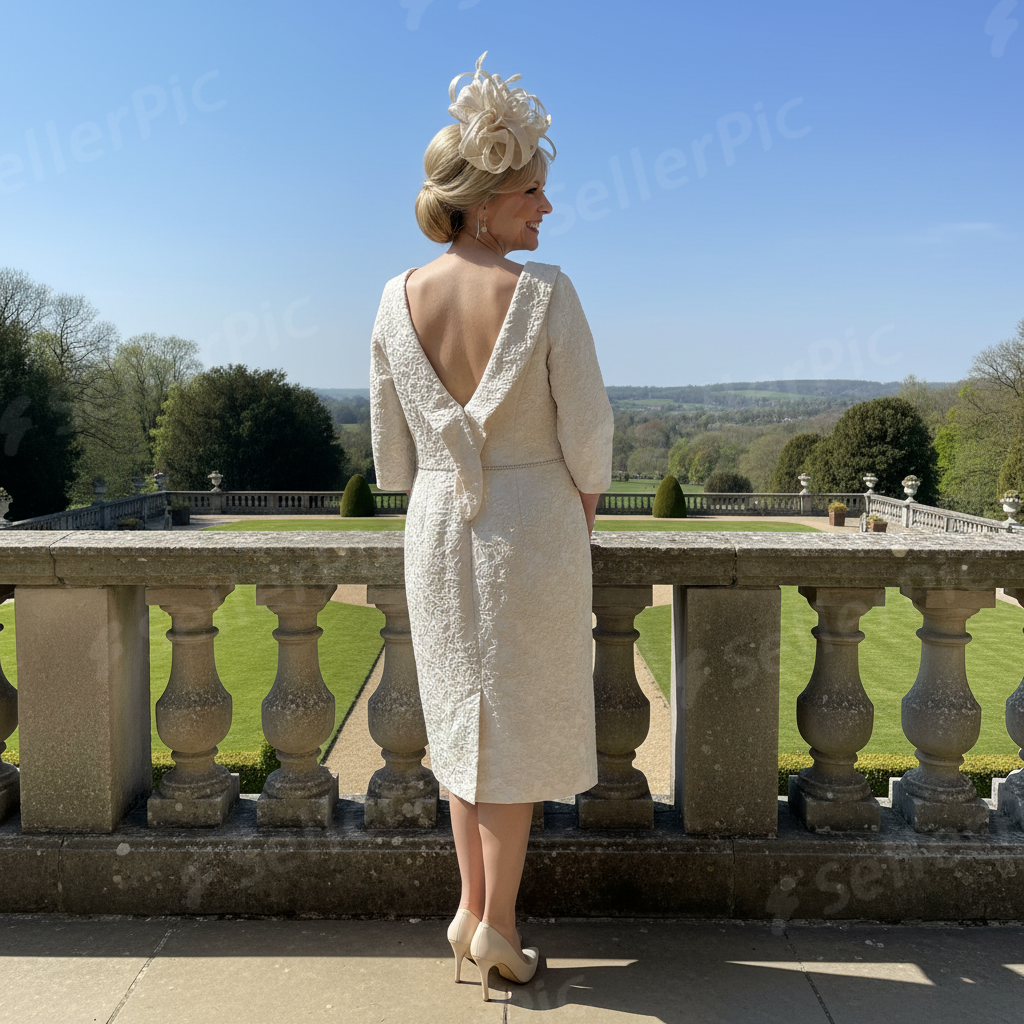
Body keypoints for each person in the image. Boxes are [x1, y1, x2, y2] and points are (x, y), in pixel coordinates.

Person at [369, 53, 613, 1002]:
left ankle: (471, 912)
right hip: (531, 528)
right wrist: (569, 516)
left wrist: (448, 480)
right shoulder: (546, 293)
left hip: (435, 530)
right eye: (531, 191)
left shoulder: (394, 298)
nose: (545, 209)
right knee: (509, 733)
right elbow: (590, 443)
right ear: (482, 201)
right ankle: (500, 928)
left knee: (466, 724)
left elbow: (393, 459)